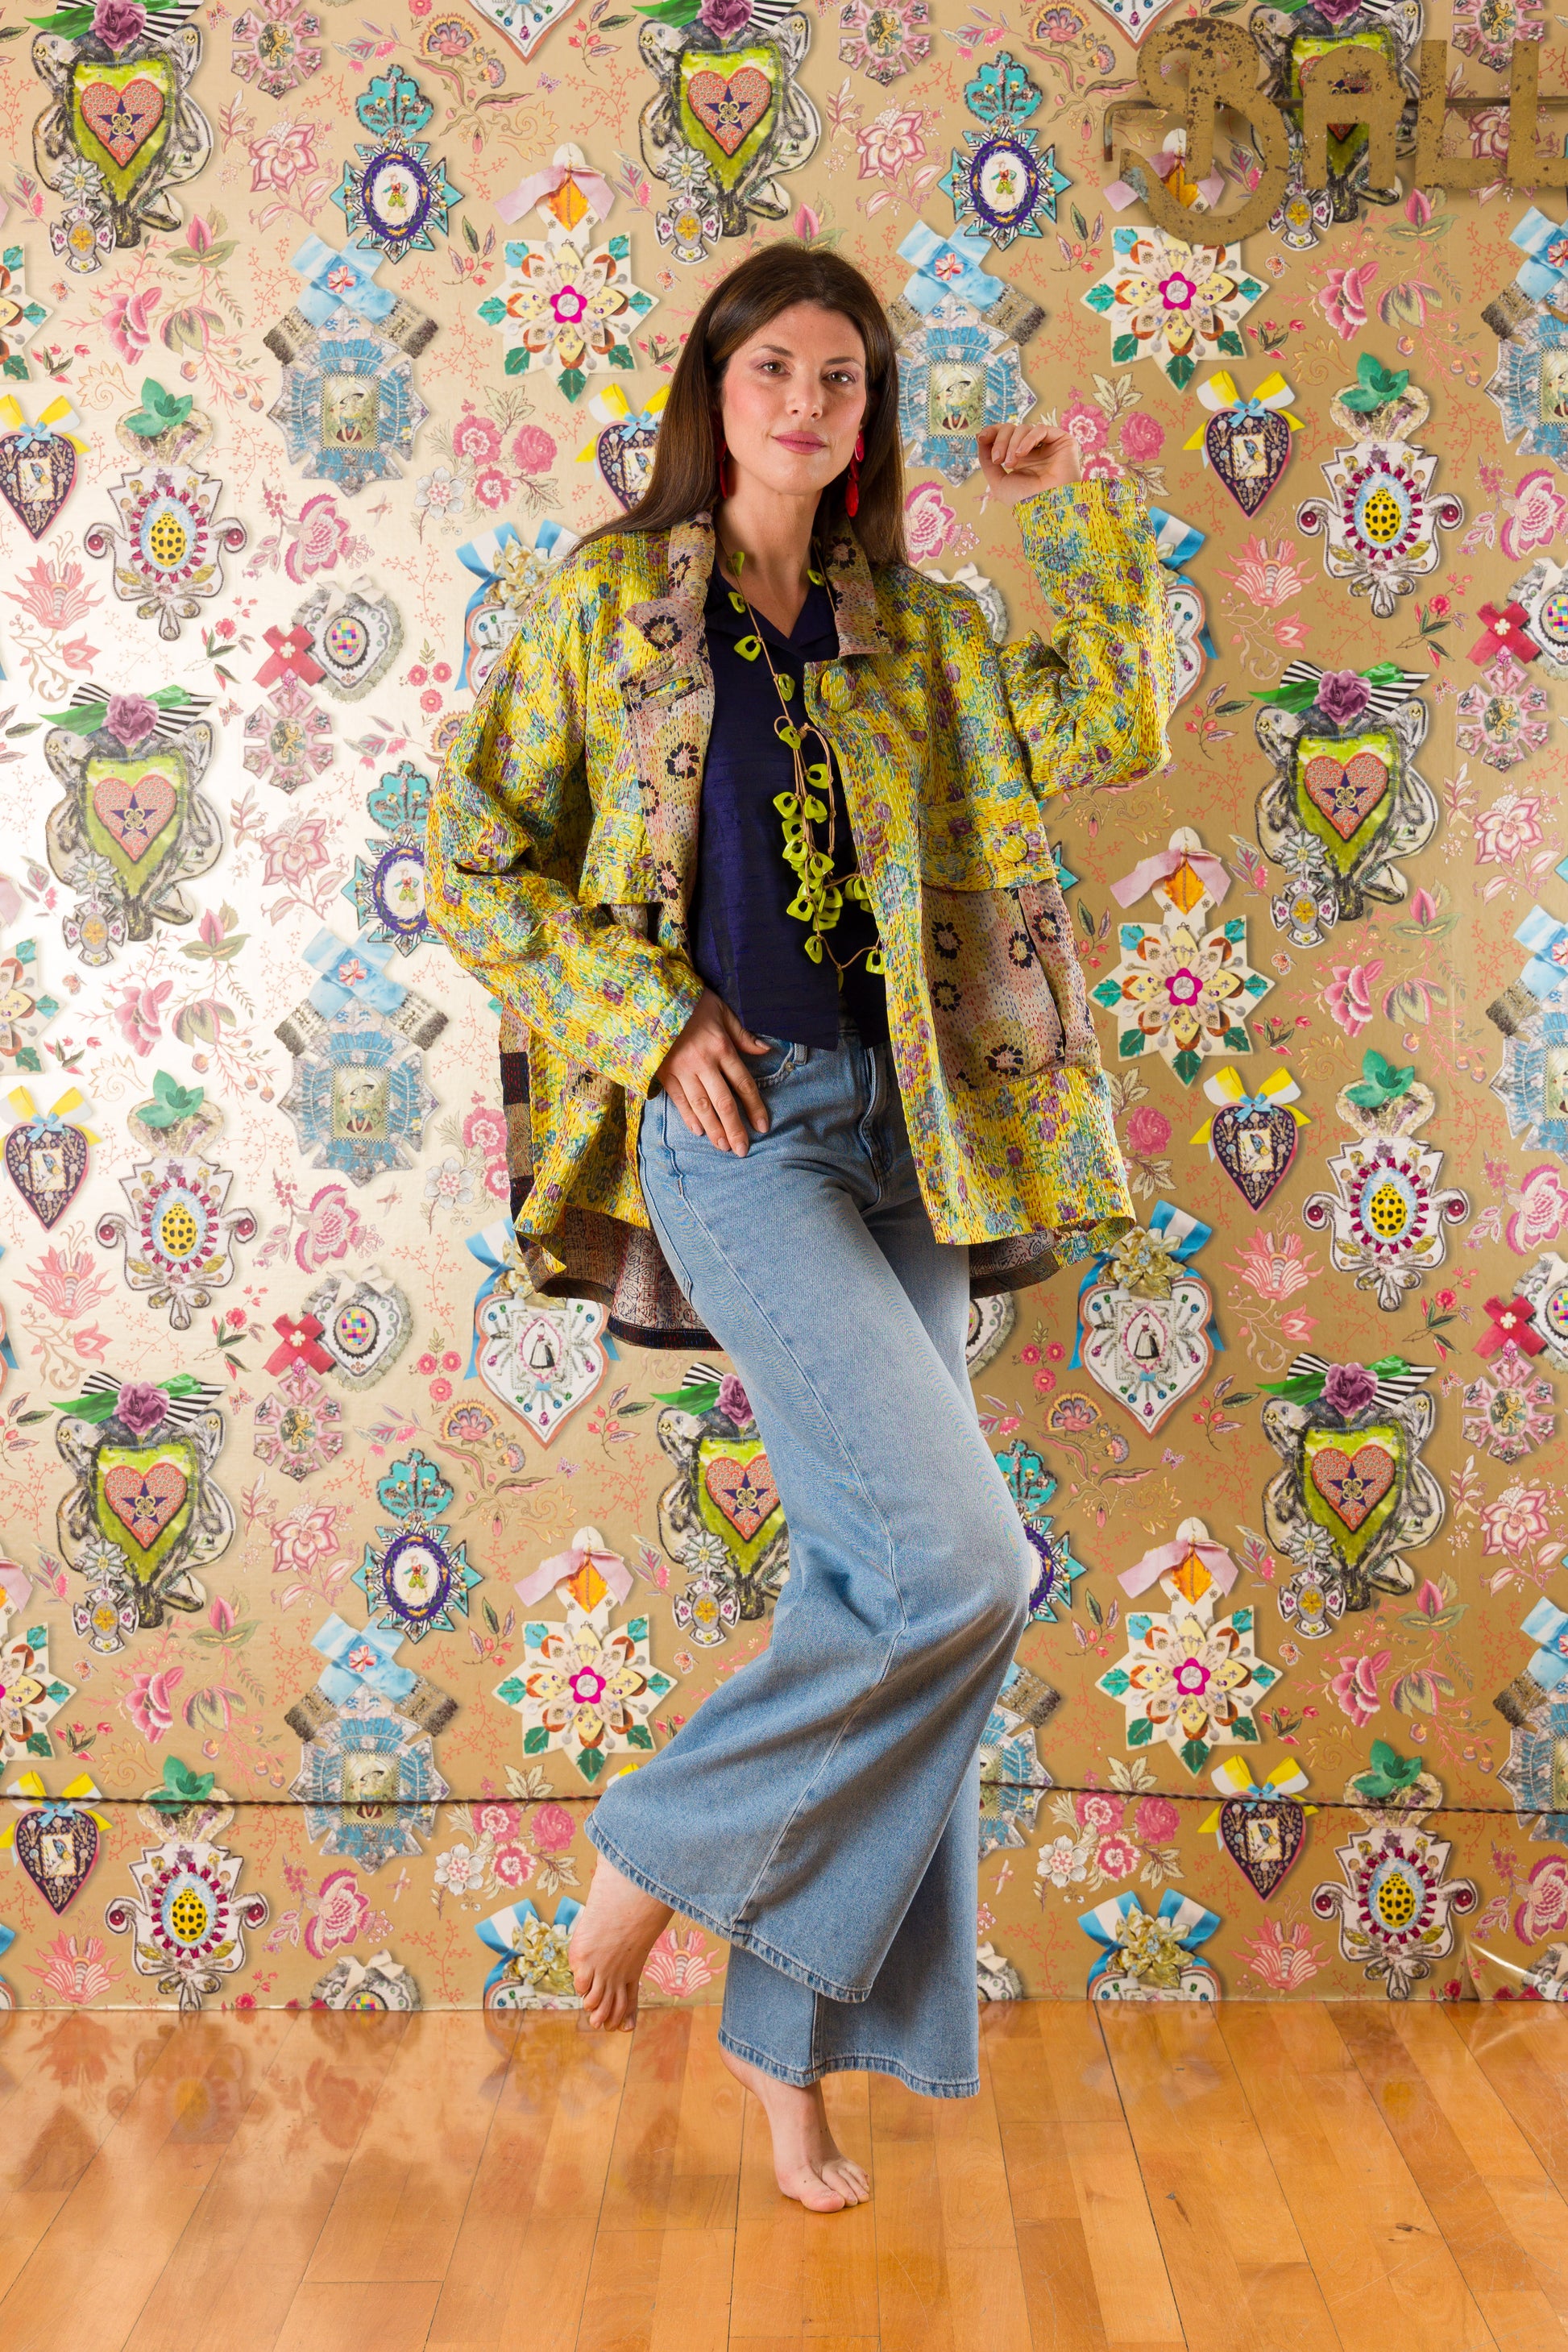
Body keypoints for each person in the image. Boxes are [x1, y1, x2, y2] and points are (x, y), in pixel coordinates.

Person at [426, 243, 1176, 2213]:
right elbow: (471, 854)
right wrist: (646, 1016)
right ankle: (658, 1840)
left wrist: (1066, 507)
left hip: (912, 1138)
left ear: (868, 415)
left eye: (842, 377)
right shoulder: (605, 605)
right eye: (776, 366)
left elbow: (1116, 713)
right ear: (717, 385)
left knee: (882, 1589)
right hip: (738, 1135)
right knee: (966, 1562)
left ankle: (782, 2056)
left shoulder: (914, 629)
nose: (807, 403)